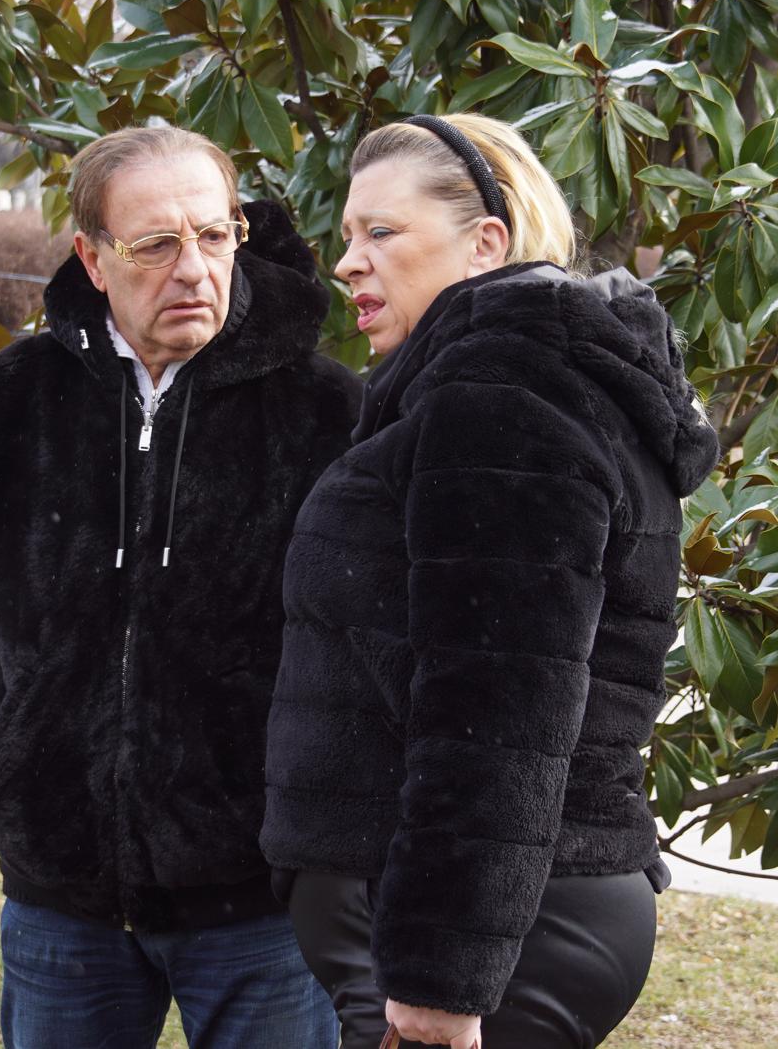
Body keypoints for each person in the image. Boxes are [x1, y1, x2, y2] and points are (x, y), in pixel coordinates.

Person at [0, 124, 360, 1049]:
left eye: (214, 235)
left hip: (265, 899)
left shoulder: (328, 413)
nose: (194, 269)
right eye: (155, 245)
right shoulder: (14, 401)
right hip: (62, 894)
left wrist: (311, 794)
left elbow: (375, 631)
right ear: (92, 259)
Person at [261, 113, 721, 1048]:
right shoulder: (497, 381)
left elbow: (499, 699)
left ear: (486, 243)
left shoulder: (501, 388)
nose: (348, 262)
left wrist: (442, 975)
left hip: (487, 935)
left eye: (382, 231)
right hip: (480, 918)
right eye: (346, 235)